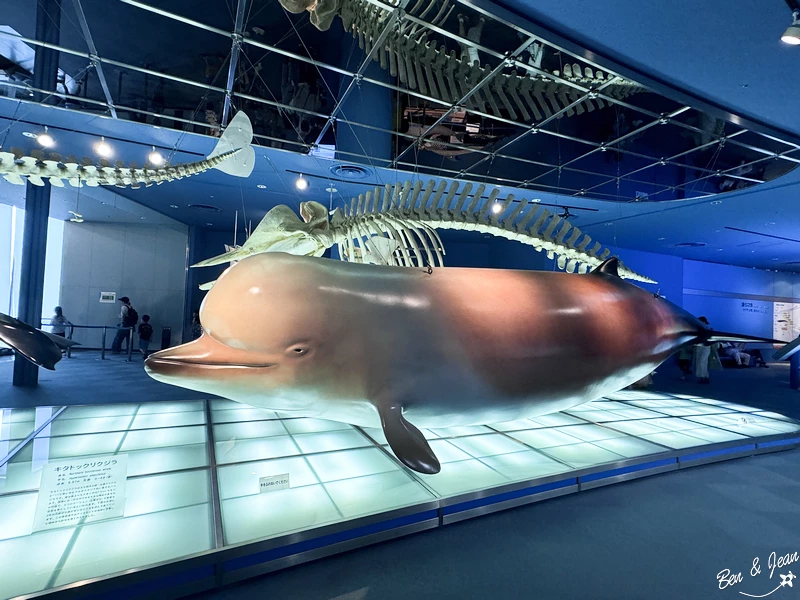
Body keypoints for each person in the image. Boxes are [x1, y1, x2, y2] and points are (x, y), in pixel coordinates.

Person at [693, 316, 712, 384]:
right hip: (699, 346)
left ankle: (705, 377)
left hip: (706, 347)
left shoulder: (708, 328)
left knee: (702, 361)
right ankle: (701, 377)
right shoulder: (698, 328)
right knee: (699, 361)